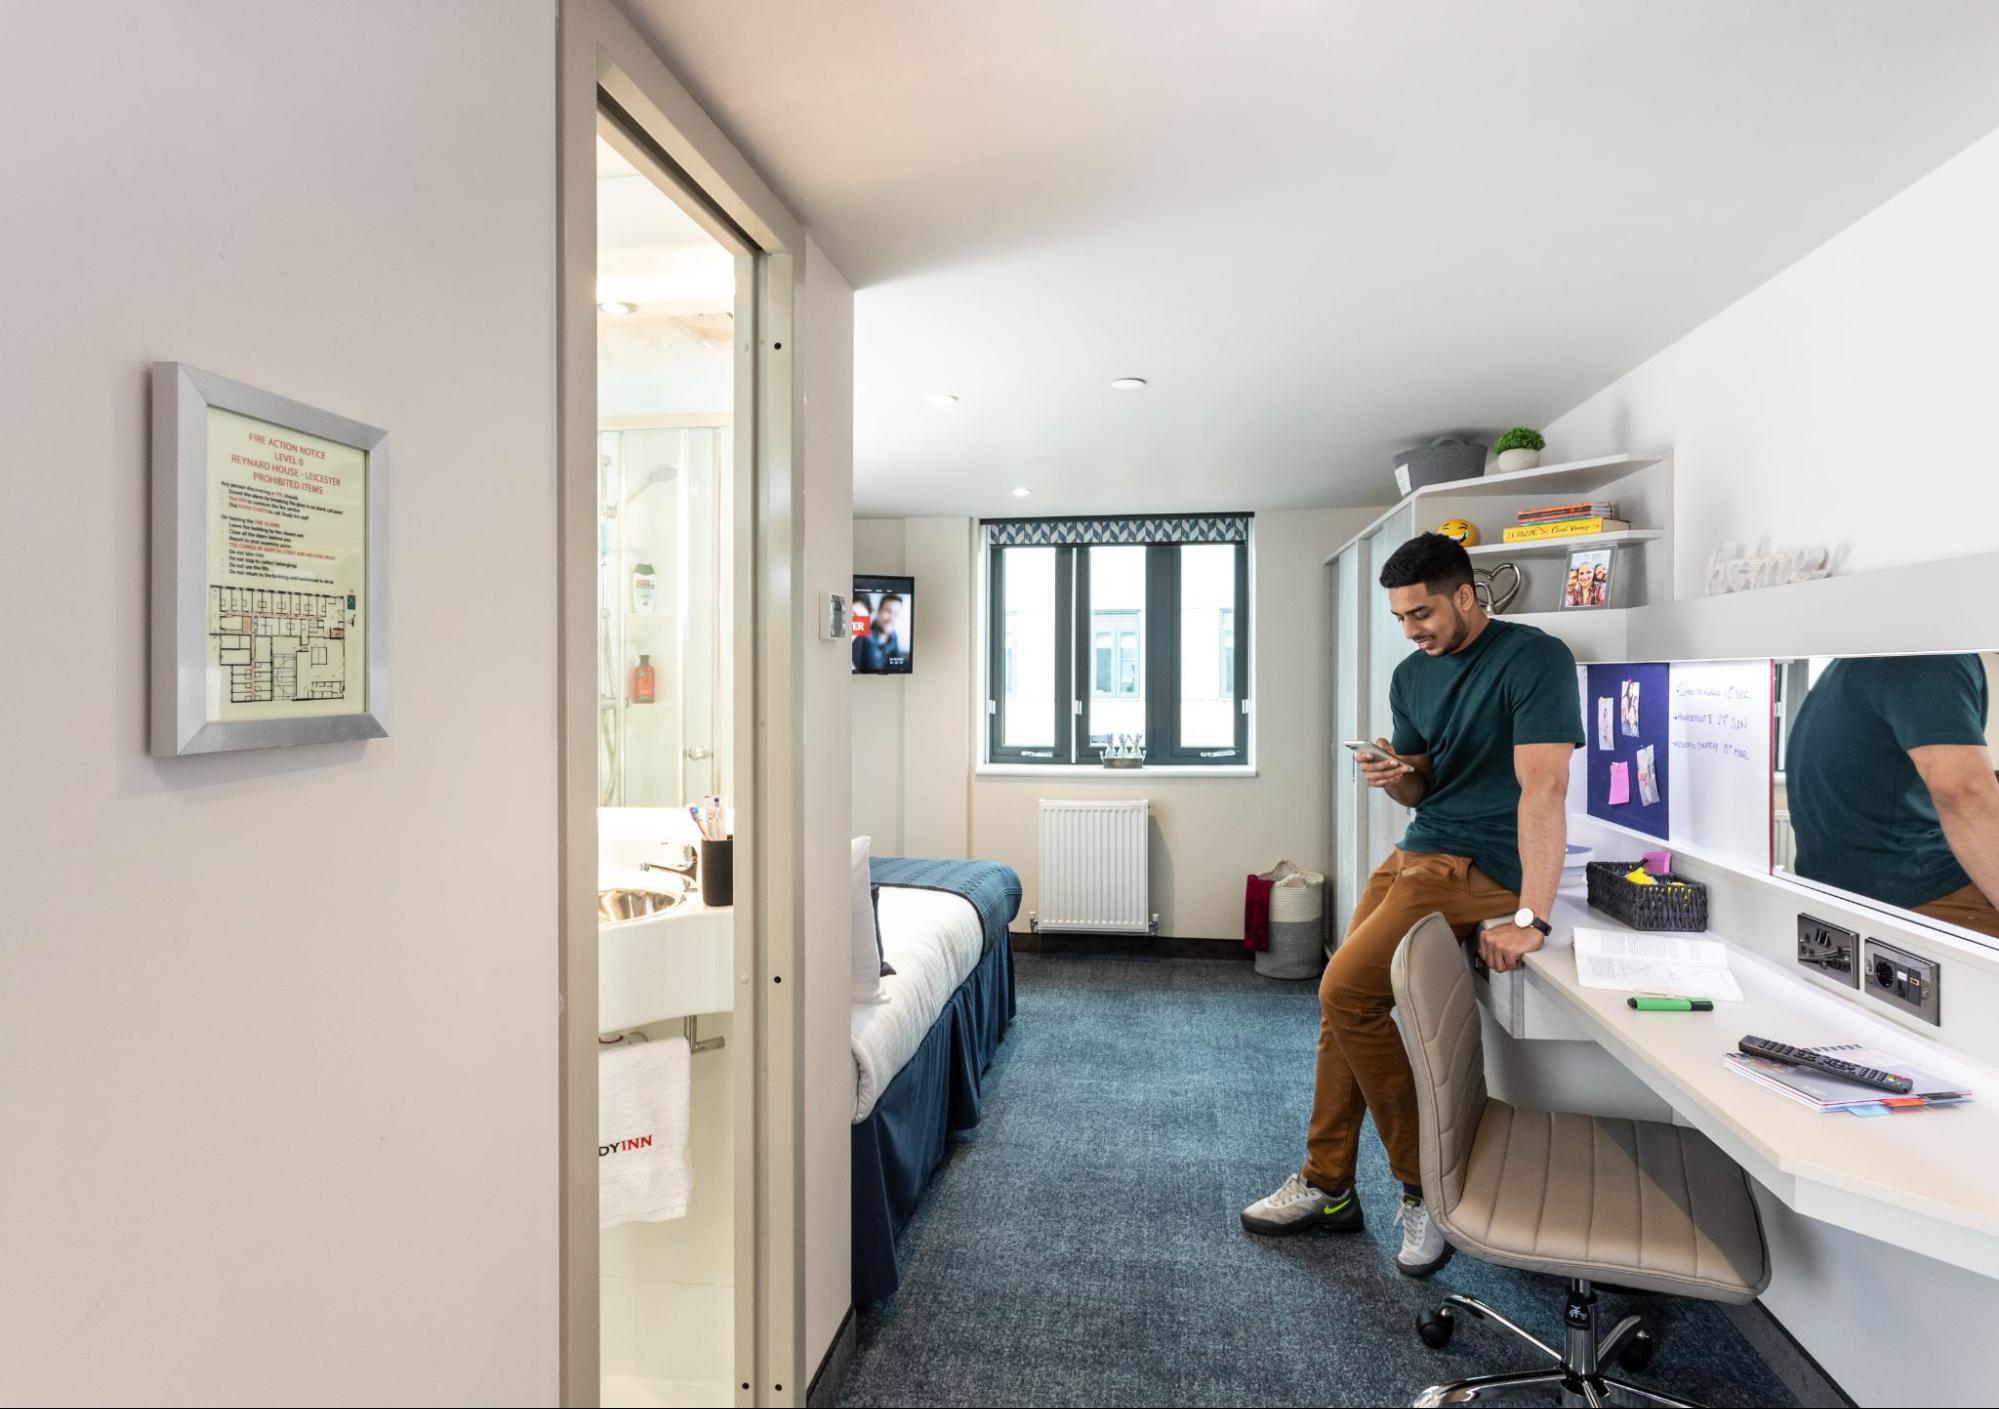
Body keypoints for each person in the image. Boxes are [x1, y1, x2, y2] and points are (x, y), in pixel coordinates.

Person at [1241, 532, 1583, 1276]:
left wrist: (1530, 917)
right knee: (1345, 1000)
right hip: (1419, 849)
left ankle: (1423, 1187)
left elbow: (1544, 789)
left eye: (1421, 612)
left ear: (1466, 594)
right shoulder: (1410, 674)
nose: (1411, 630)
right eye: (1399, 616)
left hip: (1480, 861)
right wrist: (1393, 775)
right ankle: (1329, 1182)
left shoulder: (1534, 659)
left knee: (1341, 989)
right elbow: (1423, 787)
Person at [1787, 654, 1999, 937]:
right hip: (1910, 885)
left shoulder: (1862, 657)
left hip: (1841, 882)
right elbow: (1964, 794)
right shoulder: (1933, 655)